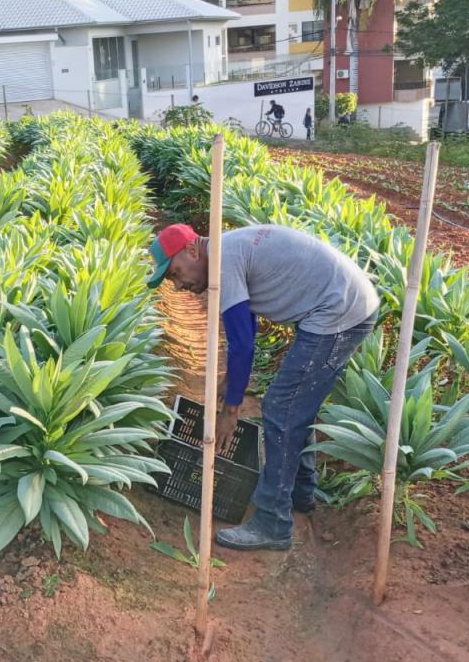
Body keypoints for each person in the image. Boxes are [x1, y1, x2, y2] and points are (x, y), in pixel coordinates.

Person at [147, 222, 379, 551]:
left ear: (191, 250)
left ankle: (273, 523)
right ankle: (300, 492)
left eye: (174, 273)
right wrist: (232, 380)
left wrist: (230, 411)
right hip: (344, 303)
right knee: (295, 404)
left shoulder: (224, 261)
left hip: (338, 312)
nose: (179, 285)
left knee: (282, 407)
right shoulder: (227, 251)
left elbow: (242, 345)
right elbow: (248, 324)